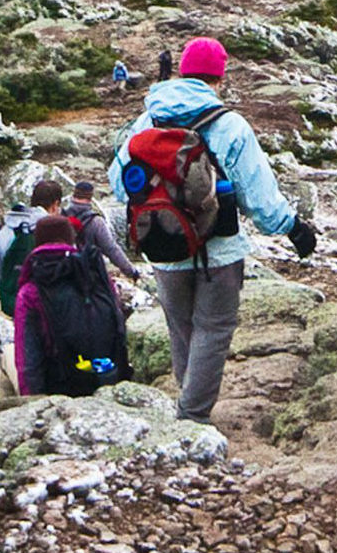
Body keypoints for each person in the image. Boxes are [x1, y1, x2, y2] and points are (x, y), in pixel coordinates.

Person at [109, 35, 317, 424]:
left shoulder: (148, 119)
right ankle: (193, 418)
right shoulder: (229, 124)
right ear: (219, 78)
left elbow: (119, 182)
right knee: (214, 329)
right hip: (218, 248)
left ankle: (188, 404)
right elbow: (258, 192)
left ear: (184, 72)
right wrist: (291, 228)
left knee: (182, 330)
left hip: (163, 246)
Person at [12, 216, 131, 397]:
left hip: (59, 387)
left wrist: (32, 401)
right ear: (71, 239)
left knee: (6, 361)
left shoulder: (30, 291)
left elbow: (28, 358)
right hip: (107, 379)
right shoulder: (98, 277)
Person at [0, 176, 68, 311]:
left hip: (12, 302)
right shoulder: (54, 231)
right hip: (44, 304)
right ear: (55, 205)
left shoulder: (7, 228)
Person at [60, 179, 139, 278]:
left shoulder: (60, 216)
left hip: (63, 272)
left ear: (73, 195)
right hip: (88, 274)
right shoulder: (96, 222)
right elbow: (111, 249)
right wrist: (131, 271)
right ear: (90, 197)